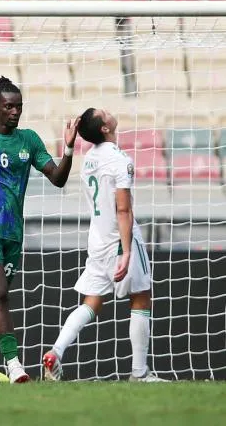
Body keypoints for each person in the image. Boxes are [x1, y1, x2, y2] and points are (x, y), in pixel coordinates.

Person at [0, 76, 79, 384]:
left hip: (12, 234)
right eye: (9, 106)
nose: (15, 112)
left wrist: (69, 148)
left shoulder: (29, 140)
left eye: (18, 106)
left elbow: (57, 178)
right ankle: (14, 364)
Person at [42, 108, 165, 382]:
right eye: (105, 114)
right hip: (119, 239)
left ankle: (56, 351)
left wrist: (70, 145)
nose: (109, 113)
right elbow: (123, 209)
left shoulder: (88, 159)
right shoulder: (121, 160)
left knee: (91, 303)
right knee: (141, 296)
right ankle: (139, 372)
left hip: (97, 241)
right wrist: (127, 250)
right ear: (105, 128)